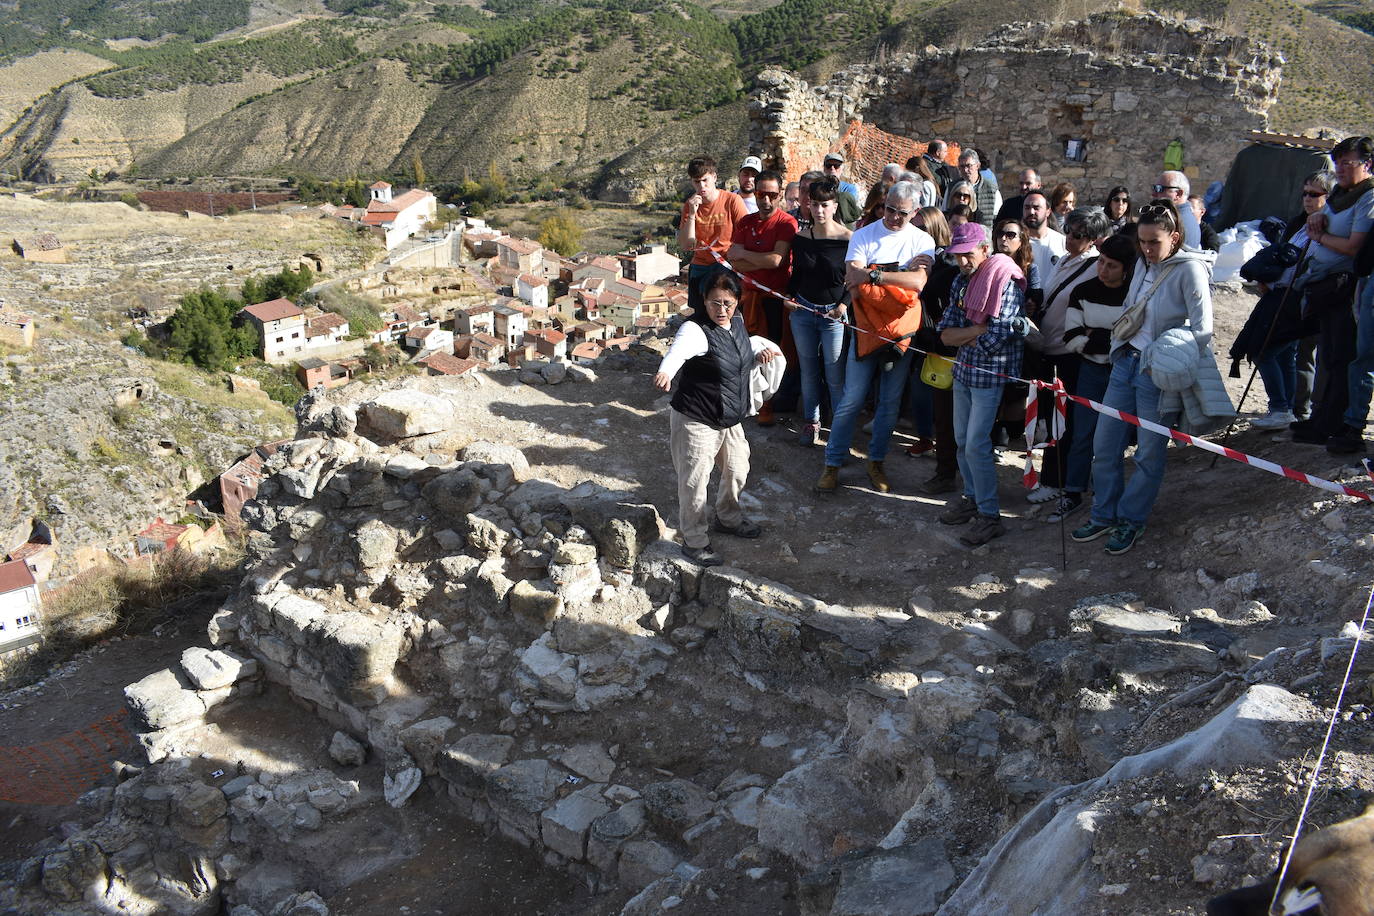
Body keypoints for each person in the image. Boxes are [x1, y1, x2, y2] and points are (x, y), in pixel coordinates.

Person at [1073, 200, 1213, 555]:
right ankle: (1104, 514)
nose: (1147, 249)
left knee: (1149, 454)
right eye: (1143, 241)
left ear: (1175, 237)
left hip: (1159, 374)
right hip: (1124, 366)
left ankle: (1131, 520)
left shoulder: (1190, 270)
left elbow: (1203, 330)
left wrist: (1170, 356)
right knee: (1105, 447)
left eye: (1155, 242)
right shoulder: (1141, 264)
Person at [654, 269, 781, 567]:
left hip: (729, 417)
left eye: (727, 302)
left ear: (738, 300)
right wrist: (666, 372)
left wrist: (755, 358)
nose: (721, 310)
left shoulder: (736, 323)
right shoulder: (694, 329)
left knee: (737, 468)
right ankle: (694, 540)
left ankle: (728, 518)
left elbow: (735, 356)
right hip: (696, 418)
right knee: (695, 481)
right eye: (714, 303)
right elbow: (678, 352)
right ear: (703, 301)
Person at [815, 181, 935, 494]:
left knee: (889, 402)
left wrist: (874, 275)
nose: (894, 217)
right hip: (865, 332)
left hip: (899, 336)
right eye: (889, 209)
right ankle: (833, 462)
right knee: (852, 399)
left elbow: (919, 283)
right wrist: (897, 285)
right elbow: (853, 283)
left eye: (902, 213)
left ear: (916, 212)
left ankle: (876, 460)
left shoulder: (922, 239)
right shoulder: (864, 235)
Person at [936, 222, 1030, 546]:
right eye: (958, 256)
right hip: (964, 371)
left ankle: (990, 516)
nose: (963, 262)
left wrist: (974, 334)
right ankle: (972, 497)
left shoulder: (1005, 281)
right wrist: (975, 331)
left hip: (990, 377)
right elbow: (946, 333)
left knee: (977, 444)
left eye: (968, 254)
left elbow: (996, 338)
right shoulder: (960, 282)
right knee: (962, 440)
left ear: (985, 250)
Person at [1231, 170, 1333, 429]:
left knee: (1263, 350)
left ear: (1329, 197)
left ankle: (1283, 408)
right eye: (1305, 193)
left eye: (1314, 194)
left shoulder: (1328, 227)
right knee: (1286, 354)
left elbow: (1311, 264)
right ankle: (1287, 408)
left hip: (1299, 298)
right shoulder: (1301, 223)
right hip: (1280, 294)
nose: (1307, 199)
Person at [1025, 206, 1110, 505]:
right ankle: (1056, 478)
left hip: (1069, 356)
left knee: (1065, 422)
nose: (1070, 238)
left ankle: (1058, 482)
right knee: (1051, 419)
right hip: (1051, 350)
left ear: (1093, 240)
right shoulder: (1066, 259)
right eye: (1069, 231)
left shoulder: (1093, 267)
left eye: (1079, 235)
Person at [1053, 233, 1137, 522]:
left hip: (1122, 371)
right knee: (1083, 433)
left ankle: (1107, 495)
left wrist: (1097, 336)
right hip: (1090, 370)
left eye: (1112, 265)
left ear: (1126, 269)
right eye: (1101, 262)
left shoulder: (1134, 296)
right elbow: (1072, 336)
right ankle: (1074, 491)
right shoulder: (1083, 291)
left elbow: (1132, 338)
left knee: (1115, 438)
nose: (1103, 270)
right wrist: (1109, 337)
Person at [1298, 135, 1374, 452]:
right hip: (1325, 283)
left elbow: (1355, 246)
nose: (1340, 169)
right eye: (1338, 162)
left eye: (1347, 162)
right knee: (1329, 354)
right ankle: (1321, 418)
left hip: (1346, 285)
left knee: (1348, 357)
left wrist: (1321, 236)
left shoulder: (1368, 197)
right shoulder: (1343, 193)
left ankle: (1339, 423)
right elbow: (1323, 217)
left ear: (1368, 164)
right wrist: (1317, 219)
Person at [726, 169, 798, 426]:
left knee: (772, 351)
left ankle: (768, 403)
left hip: (774, 300)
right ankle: (748, 399)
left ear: (780, 195)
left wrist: (746, 255)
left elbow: (777, 260)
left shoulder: (786, 223)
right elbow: (733, 260)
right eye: (760, 194)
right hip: (748, 298)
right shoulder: (746, 222)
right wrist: (761, 261)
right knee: (744, 349)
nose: (765, 200)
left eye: (771, 195)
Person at [788, 177, 852, 447]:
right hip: (803, 311)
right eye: (814, 204)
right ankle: (811, 422)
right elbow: (798, 275)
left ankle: (838, 430)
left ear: (834, 206)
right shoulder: (801, 239)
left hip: (833, 316)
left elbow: (854, 280)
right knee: (808, 371)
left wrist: (843, 306)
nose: (819, 210)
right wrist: (789, 296)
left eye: (824, 205)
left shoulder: (849, 239)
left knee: (835, 375)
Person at [907, 208, 955, 473]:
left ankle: (943, 450)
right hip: (915, 331)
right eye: (913, 227)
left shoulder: (947, 263)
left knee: (938, 393)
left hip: (939, 336)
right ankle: (925, 438)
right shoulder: (908, 254)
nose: (916, 233)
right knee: (919, 386)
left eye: (922, 228)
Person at [677, 156, 748, 314]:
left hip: (726, 264)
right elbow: (686, 245)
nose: (701, 186)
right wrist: (692, 214)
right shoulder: (690, 205)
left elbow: (745, 234)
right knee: (701, 312)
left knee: (728, 311)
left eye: (705, 180)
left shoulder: (732, 201)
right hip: (701, 265)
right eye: (696, 182)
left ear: (714, 177)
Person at [945, 149, 1000, 229]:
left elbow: (998, 217)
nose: (965, 170)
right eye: (962, 166)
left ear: (977, 165)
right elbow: (945, 212)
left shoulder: (991, 189)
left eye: (969, 166)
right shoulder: (952, 187)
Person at [1023, 191, 1066, 282]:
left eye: (1036, 208)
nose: (1031, 212)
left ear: (1048, 211)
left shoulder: (1062, 241)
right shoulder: (1017, 242)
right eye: (1027, 208)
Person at [1152, 171, 1202, 249]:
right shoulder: (1185, 217)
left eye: (1160, 189)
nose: (1154, 194)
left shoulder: (1176, 222)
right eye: (1154, 188)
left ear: (1178, 194)